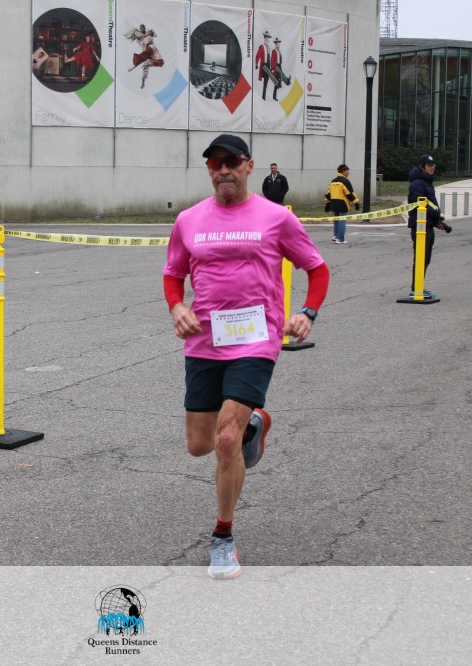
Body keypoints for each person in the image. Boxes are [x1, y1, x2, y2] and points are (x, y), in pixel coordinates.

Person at [162, 134, 330, 579]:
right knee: (199, 445)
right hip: (204, 340)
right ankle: (256, 422)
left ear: (249, 166)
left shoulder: (276, 217)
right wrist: (177, 306)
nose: (224, 170)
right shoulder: (189, 220)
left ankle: (223, 538)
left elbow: (317, 268)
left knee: (225, 441)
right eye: (215, 163)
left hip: (257, 338)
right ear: (208, 170)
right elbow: (173, 273)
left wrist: (307, 313)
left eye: (232, 162)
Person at [406, 154, 448, 299]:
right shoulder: (417, 184)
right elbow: (420, 205)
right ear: (422, 167)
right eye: (429, 165)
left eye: (433, 165)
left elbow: (429, 204)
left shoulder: (426, 182)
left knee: (425, 258)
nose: (432, 167)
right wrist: (437, 214)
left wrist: (437, 222)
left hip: (427, 225)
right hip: (420, 226)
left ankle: (418, 287)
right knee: (421, 257)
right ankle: (416, 289)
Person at [324, 164, 359, 244]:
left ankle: (335, 236)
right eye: (347, 171)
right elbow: (350, 194)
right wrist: (356, 202)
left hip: (334, 203)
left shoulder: (333, 181)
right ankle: (340, 239)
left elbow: (328, 194)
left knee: (336, 220)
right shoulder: (345, 181)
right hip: (343, 204)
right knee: (342, 221)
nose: (348, 172)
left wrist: (327, 203)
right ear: (343, 172)